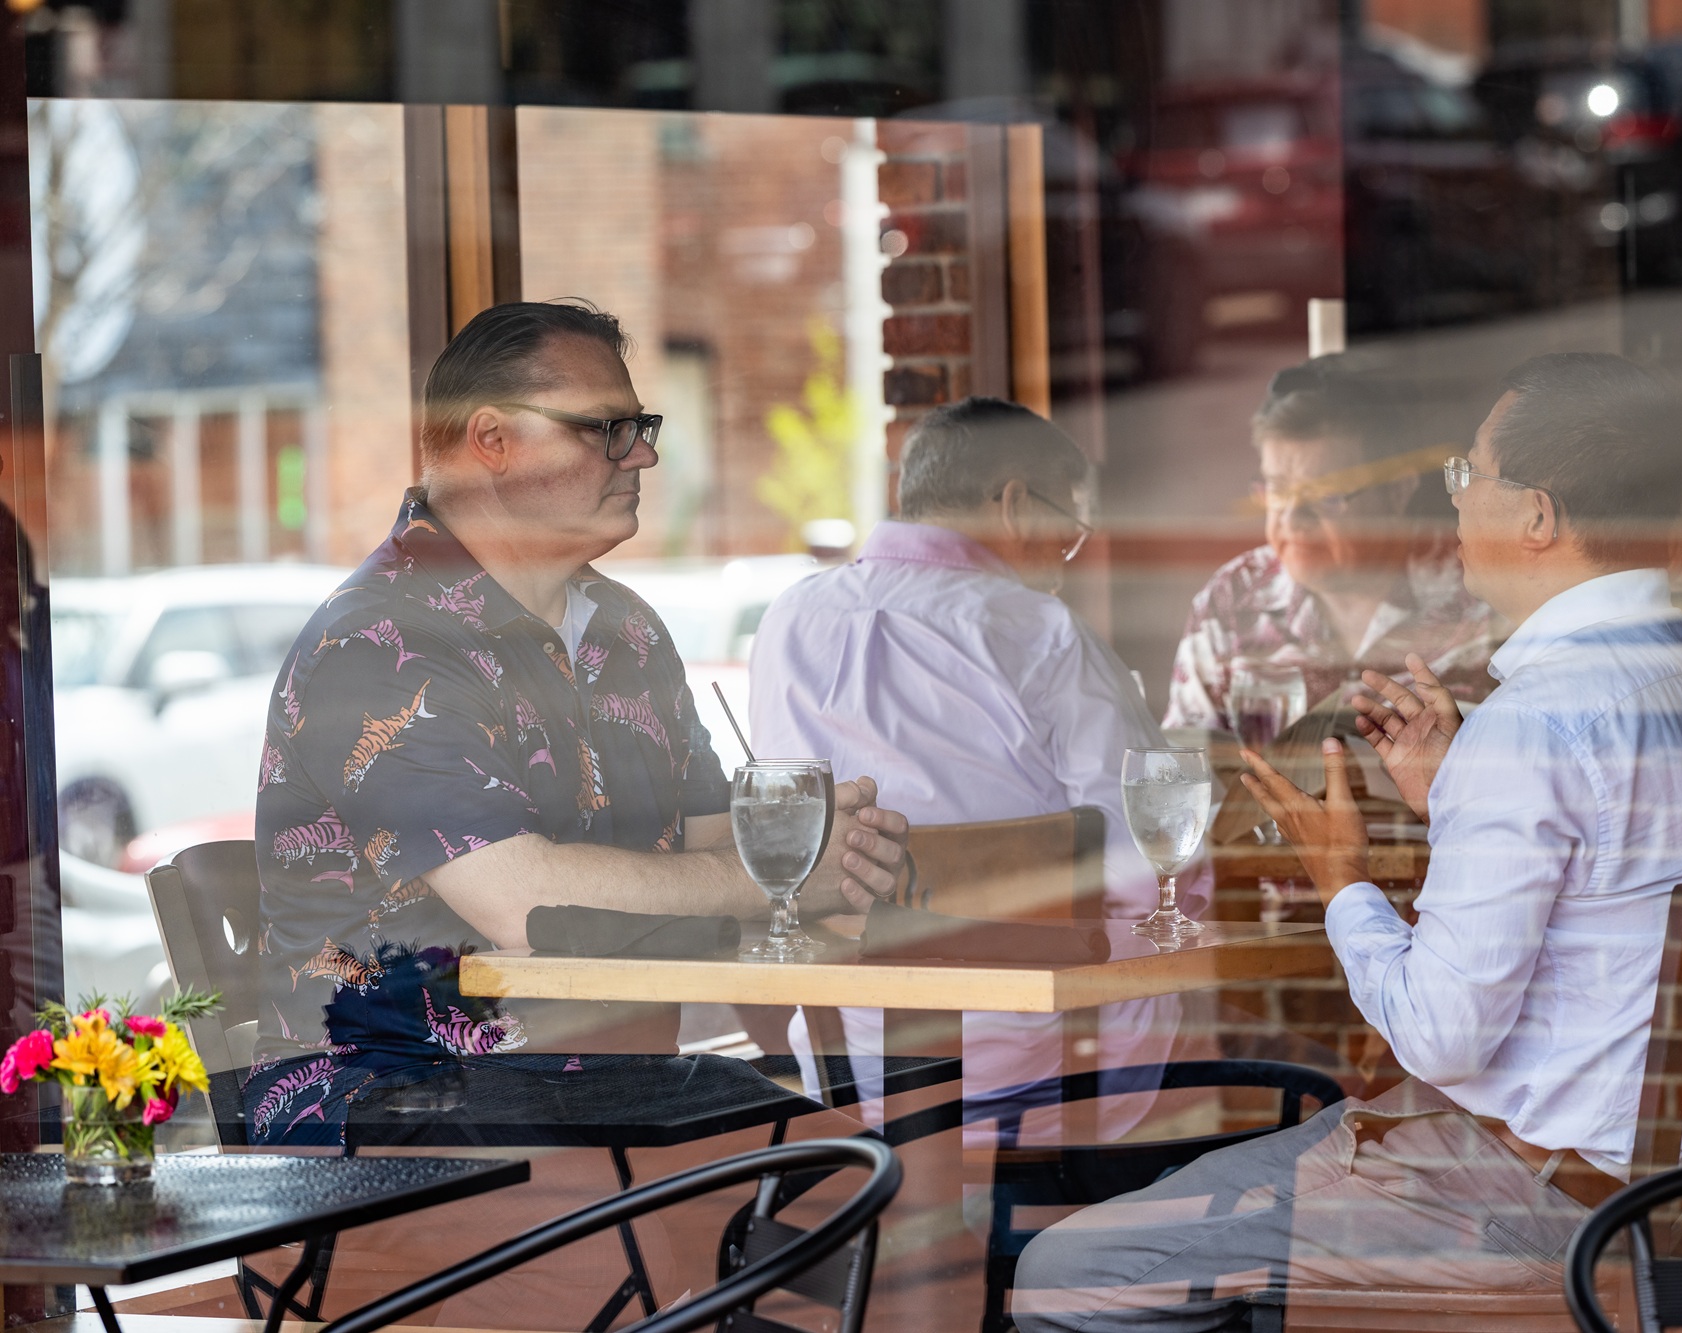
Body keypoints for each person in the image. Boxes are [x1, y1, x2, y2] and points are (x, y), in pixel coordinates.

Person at [1012, 353, 1682, 1331]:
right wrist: (1453, 797)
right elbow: (1609, 895)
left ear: (1538, 516)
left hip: (1531, 1203)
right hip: (1677, 1186)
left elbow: (1437, 1034)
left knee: (1065, 1267)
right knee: (1218, 1180)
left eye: (1469, 476)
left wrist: (1341, 879)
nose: (1456, 504)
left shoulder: (1539, 720)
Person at [246, 301, 909, 1146]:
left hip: (609, 1098)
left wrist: (828, 859)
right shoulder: (378, 642)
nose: (645, 454)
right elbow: (524, 903)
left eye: (642, 426)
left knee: (866, 1189)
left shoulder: (628, 630)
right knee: (837, 1210)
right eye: (609, 428)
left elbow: (718, 845)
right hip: (394, 1116)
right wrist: (779, 876)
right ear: (492, 439)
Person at [750, 397, 1195, 1125]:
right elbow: (1153, 861)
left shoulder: (787, 620)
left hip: (852, 1085)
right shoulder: (1044, 634)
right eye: (1068, 527)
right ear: (1018, 505)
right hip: (1047, 1085)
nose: (1065, 554)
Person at [1163, 356, 1498, 735]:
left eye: (1324, 495)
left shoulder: (1482, 591)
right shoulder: (1233, 598)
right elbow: (1184, 765)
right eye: (1276, 489)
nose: (1291, 518)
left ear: (1398, 489)